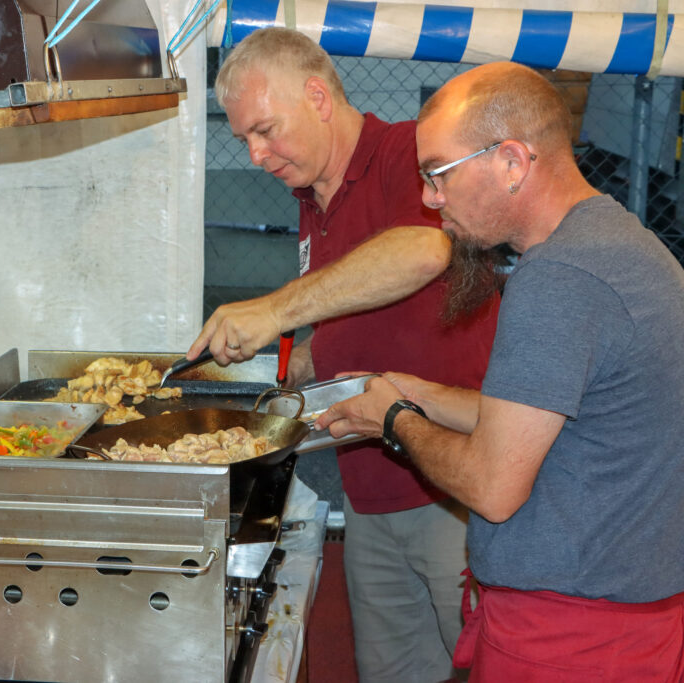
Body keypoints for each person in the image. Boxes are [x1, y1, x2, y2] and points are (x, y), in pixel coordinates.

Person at [315, 61, 684, 680]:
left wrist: (395, 419)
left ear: (512, 162)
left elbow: (492, 485)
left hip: (573, 634)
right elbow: (547, 420)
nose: (430, 199)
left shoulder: (559, 279)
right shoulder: (618, 241)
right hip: (625, 611)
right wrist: (423, 394)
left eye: (437, 174)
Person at [188, 28, 499, 682]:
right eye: (245, 137)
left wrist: (273, 309)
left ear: (318, 96)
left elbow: (422, 251)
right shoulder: (311, 197)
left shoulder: (404, 151)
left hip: (451, 490)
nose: (254, 153)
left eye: (266, 130)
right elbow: (353, 309)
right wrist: (290, 360)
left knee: (489, 665)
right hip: (369, 490)